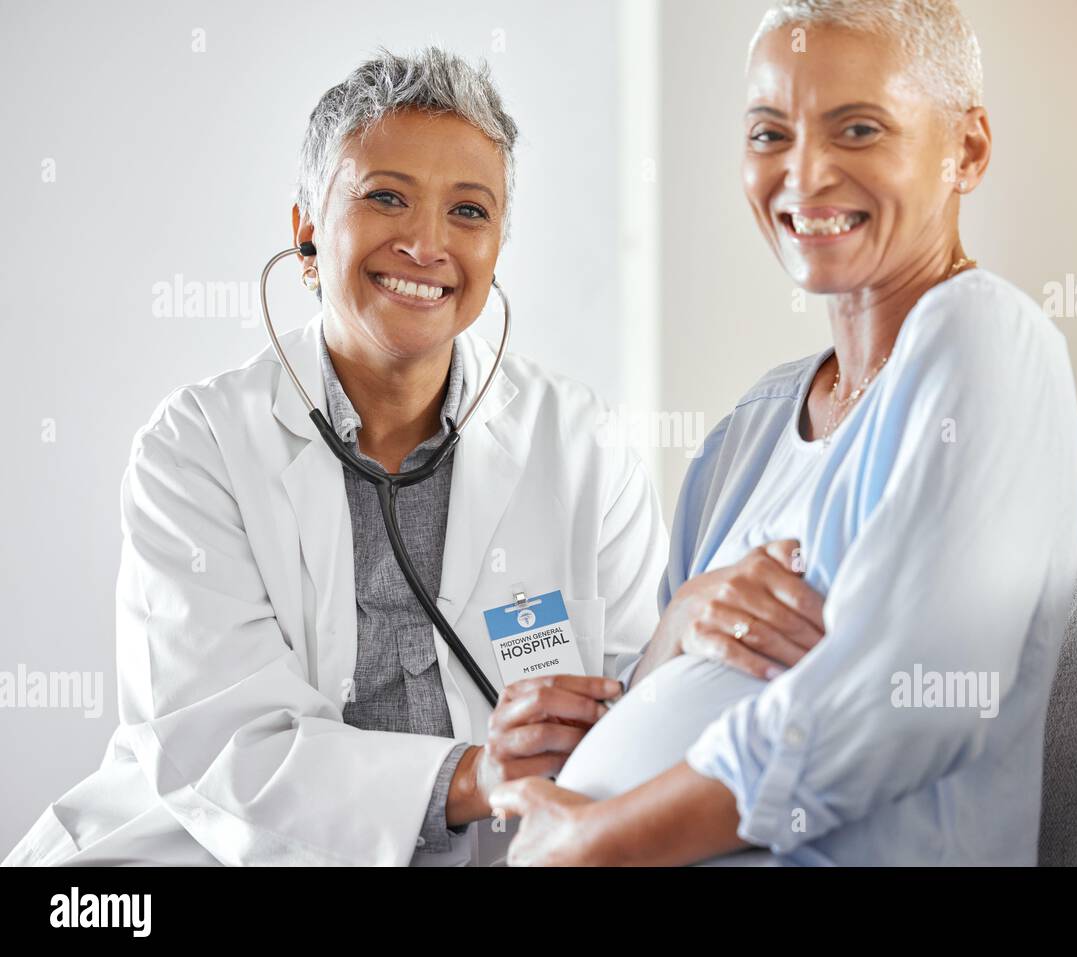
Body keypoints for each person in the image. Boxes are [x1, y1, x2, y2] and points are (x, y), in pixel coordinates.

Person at [4, 47, 673, 867]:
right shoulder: (198, 446)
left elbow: (644, 710)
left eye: (469, 211)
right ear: (307, 231)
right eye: (386, 197)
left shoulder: (583, 448)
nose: (427, 244)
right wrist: (473, 773)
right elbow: (226, 745)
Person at [492, 0, 1077, 866]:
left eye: (856, 129)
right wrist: (650, 658)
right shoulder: (748, 431)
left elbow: (907, 700)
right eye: (770, 135)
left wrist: (592, 840)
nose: (804, 176)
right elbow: (681, 701)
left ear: (968, 148)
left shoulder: (984, 337)